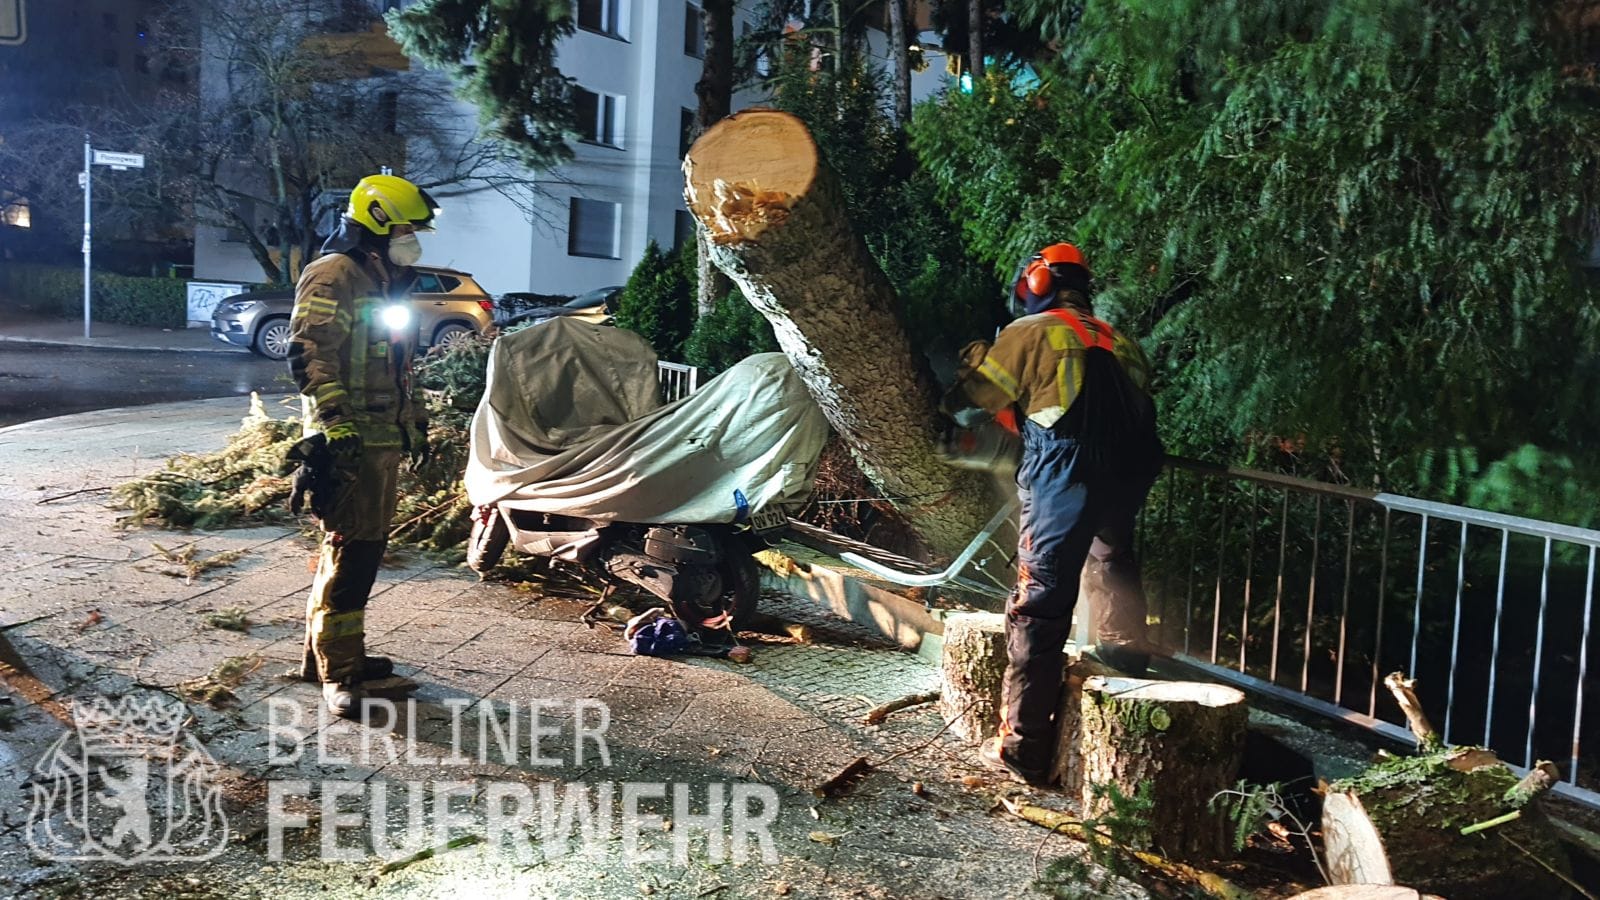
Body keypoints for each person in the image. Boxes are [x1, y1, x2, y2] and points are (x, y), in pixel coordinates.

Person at [940, 242, 1165, 786]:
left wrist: (973, 366)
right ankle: (1122, 679)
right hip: (1129, 472)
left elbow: (970, 405)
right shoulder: (1120, 339)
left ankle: (1024, 747)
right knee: (1114, 566)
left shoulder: (1029, 334)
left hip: (1066, 471)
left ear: (1038, 284)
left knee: (1039, 604)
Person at [288, 173, 438, 717]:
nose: (413, 237)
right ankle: (341, 675)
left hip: (379, 437)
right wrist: (335, 423)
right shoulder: (334, 275)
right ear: (375, 222)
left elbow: (398, 364)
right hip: (349, 440)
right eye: (405, 227)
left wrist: (413, 421)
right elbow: (310, 352)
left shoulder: (382, 278)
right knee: (354, 553)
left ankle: (325, 656)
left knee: (357, 549)